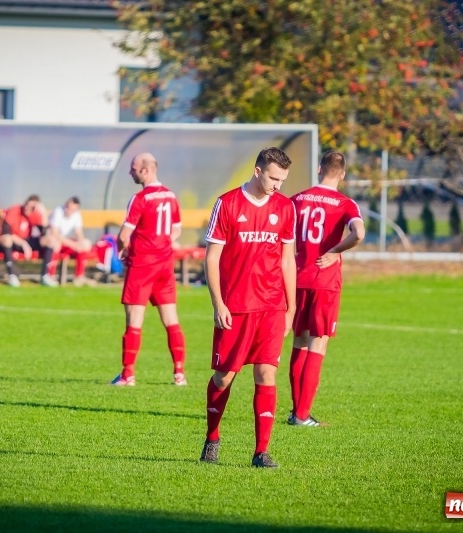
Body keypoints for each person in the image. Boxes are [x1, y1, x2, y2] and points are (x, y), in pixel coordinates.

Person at [200, 147, 296, 468]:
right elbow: (212, 257)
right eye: (273, 177)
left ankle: (261, 451)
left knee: (267, 373)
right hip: (236, 306)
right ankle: (212, 438)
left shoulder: (285, 208)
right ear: (257, 171)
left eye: (282, 179)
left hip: (271, 306)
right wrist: (218, 303)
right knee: (224, 377)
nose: (278, 185)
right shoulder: (227, 204)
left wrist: (290, 307)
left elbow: (286, 260)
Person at [289, 150, 365, 426]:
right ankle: (302, 415)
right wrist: (335, 250)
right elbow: (359, 234)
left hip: (296, 278)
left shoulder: (298, 198)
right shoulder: (345, 203)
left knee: (299, 342)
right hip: (325, 282)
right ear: (342, 174)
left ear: (319, 169)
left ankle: (294, 411)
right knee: (317, 344)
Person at [110, 152, 187, 387]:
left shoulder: (140, 198)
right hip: (164, 265)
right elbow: (176, 230)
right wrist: (161, 244)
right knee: (171, 320)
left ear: (145, 170)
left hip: (143, 265)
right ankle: (179, 374)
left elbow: (124, 235)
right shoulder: (171, 196)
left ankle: (127, 375)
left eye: (133, 168)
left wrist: (123, 251)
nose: (130, 172)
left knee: (134, 320)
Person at [39, 196, 95, 287]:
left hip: (65, 242)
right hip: (50, 241)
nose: (68, 210)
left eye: (72, 209)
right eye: (68, 207)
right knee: (55, 244)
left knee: (85, 245)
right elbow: (55, 234)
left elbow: (79, 233)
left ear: (76, 209)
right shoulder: (58, 211)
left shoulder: (76, 215)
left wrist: (80, 243)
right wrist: (73, 244)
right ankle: (50, 275)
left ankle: (79, 277)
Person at [0, 195, 47, 287]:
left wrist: (43, 214)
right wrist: (24, 244)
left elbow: (45, 233)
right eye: (27, 204)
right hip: (10, 241)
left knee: (49, 241)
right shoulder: (15, 209)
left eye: (32, 207)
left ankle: (45, 276)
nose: (27, 208)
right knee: (6, 239)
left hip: (25, 241)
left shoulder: (36, 214)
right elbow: (6, 232)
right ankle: (11, 275)